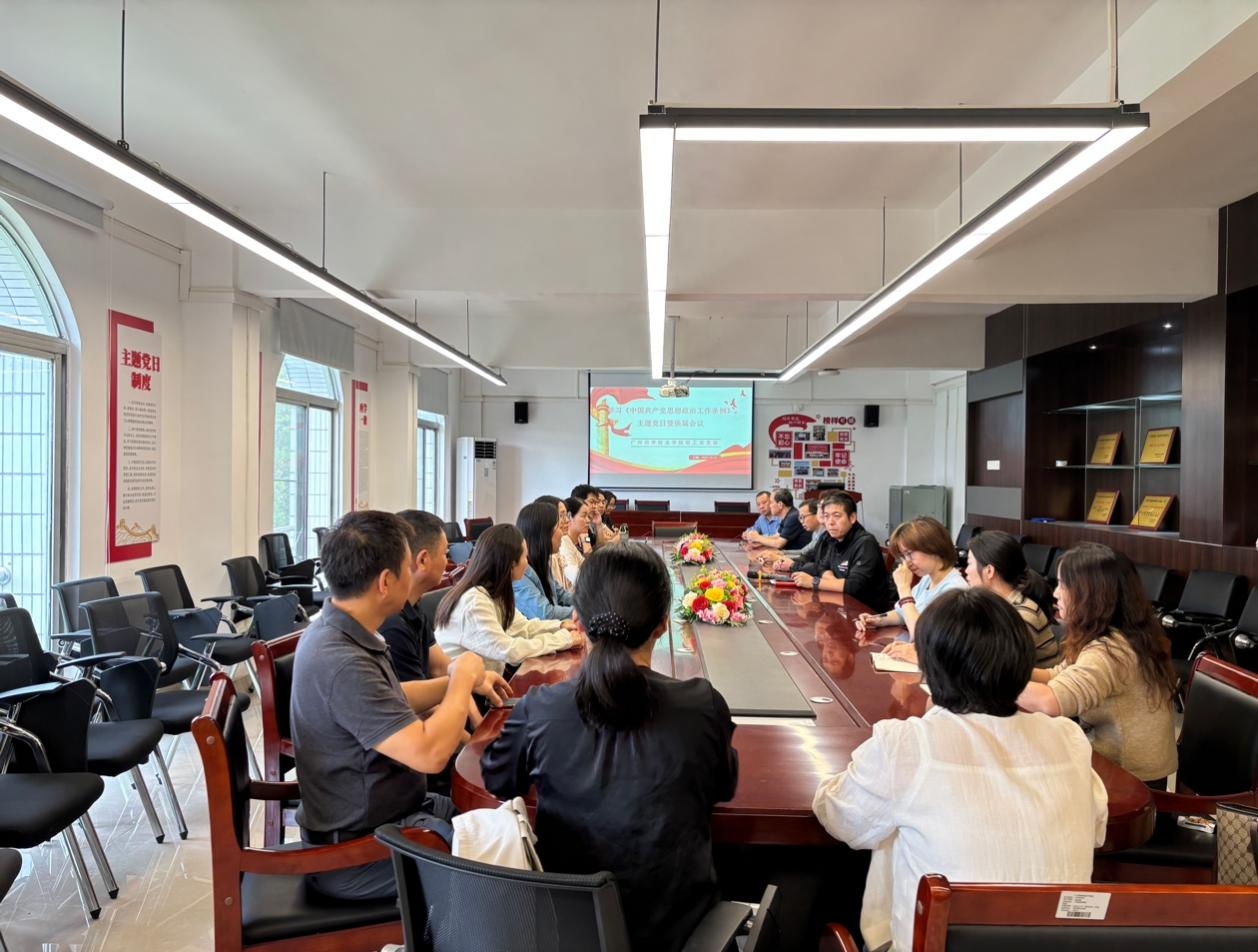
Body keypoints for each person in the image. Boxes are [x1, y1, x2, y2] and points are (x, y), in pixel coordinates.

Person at [813, 588, 1107, 952]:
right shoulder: (1068, 738)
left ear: (929, 667)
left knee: (891, 829)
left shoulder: (910, 745)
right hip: (1057, 941)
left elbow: (839, 817)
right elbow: (1096, 829)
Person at [481, 543, 738, 952]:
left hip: (564, 933)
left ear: (577, 620)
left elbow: (497, 779)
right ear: (663, 625)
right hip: (676, 936)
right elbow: (723, 786)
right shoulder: (702, 705)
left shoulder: (540, 708)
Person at [290, 510, 496, 900]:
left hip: (396, 815)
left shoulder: (345, 631)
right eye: (406, 566)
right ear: (386, 582)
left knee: (500, 822)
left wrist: (459, 680)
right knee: (500, 873)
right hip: (359, 852)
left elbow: (393, 697)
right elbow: (430, 754)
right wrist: (460, 681)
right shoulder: (341, 659)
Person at [1017, 543, 1178, 784]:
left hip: (1132, 784)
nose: (1056, 593)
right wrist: (1007, 670)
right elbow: (1056, 675)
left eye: (1063, 584)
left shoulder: (1111, 651)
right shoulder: (1115, 635)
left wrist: (986, 679)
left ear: (1091, 593)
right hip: (1121, 768)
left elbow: (1050, 701)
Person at [380, 510, 514, 707]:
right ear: (423, 560)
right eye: (445, 553)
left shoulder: (413, 609)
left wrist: (476, 680)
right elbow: (416, 708)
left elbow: (441, 668)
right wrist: (466, 680)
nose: (447, 560)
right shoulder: (393, 625)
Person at [435, 522, 583, 675]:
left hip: (483, 682)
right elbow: (509, 651)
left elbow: (523, 628)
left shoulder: (495, 593)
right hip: (463, 687)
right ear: (512, 564)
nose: (527, 563)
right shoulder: (474, 602)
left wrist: (560, 626)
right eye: (525, 557)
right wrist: (564, 639)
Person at [858, 516, 966, 643]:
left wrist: (904, 589)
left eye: (909, 554)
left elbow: (920, 635)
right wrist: (877, 620)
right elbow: (903, 612)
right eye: (904, 556)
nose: (907, 562)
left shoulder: (955, 590)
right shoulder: (927, 579)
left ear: (933, 547)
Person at [966, 530, 1060, 665]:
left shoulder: (1022, 615)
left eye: (969, 563)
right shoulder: (995, 604)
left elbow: (994, 666)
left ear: (989, 571)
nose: (966, 570)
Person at [791, 492, 896, 612]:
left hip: (866, 612)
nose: (830, 522)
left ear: (852, 517)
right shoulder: (832, 538)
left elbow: (854, 586)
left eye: (836, 516)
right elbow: (821, 567)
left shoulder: (865, 543)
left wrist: (814, 582)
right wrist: (832, 580)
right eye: (826, 516)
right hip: (839, 604)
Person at [513, 501, 576, 621]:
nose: (561, 533)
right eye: (557, 527)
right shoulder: (519, 574)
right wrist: (585, 611)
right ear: (543, 534)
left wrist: (589, 601)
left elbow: (562, 595)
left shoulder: (542, 563)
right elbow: (546, 614)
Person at [746, 488, 812, 550]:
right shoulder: (787, 516)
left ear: (780, 505)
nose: (770, 506)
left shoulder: (793, 517)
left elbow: (778, 544)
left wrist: (757, 538)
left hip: (799, 555)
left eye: (771, 502)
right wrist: (758, 541)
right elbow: (776, 537)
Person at [768, 498, 822, 572]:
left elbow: (809, 559)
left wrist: (780, 557)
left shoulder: (825, 534)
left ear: (818, 514)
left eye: (803, 517)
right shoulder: (815, 532)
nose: (801, 521)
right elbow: (803, 552)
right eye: (800, 518)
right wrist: (782, 553)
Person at [556, 495, 593, 590]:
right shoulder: (562, 541)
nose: (588, 520)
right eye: (584, 516)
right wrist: (586, 543)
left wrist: (599, 525)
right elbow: (575, 578)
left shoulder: (584, 535)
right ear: (570, 516)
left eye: (588, 516)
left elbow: (588, 565)